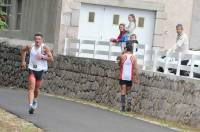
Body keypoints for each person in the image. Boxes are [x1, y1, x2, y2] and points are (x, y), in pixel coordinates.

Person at [20, 33, 53, 114]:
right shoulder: (30, 46)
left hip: (41, 70)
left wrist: (42, 56)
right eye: (36, 39)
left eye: (39, 39)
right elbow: (22, 50)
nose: (37, 40)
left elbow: (51, 59)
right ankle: (30, 106)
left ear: (42, 40)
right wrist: (23, 61)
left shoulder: (44, 47)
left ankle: (35, 100)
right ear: (34, 40)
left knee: (36, 89)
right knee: (31, 88)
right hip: (32, 69)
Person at [118, 43, 139, 112]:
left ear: (126, 49)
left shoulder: (122, 56)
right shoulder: (134, 57)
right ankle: (129, 103)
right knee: (129, 91)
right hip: (130, 76)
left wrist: (122, 52)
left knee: (123, 91)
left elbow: (119, 64)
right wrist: (137, 78)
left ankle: (123, 107)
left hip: (123, 75)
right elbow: (136, 68)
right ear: (132, 49)